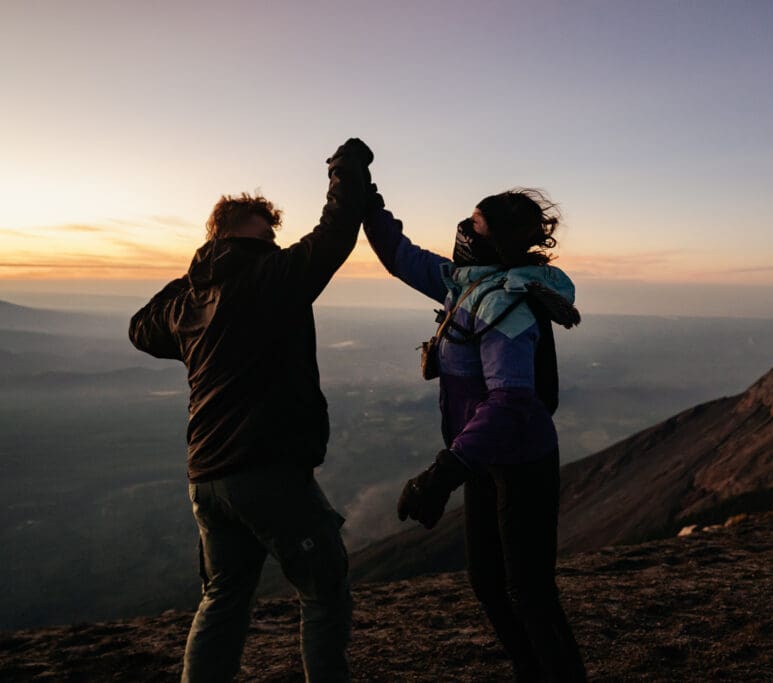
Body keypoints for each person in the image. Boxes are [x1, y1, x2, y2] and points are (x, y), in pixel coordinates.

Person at [128, 138, 374, 683]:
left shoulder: (187, 306)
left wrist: (200, 269)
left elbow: (140, 325)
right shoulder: (270, 279)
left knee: (224, 595)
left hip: (206, 479)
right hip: (267, 471)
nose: (274, 241)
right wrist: (346, 167)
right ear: (253, 235)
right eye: (267, 233)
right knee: (323, 587)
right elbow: (335, 233)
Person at [363, 178, 588, 681]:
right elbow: (401, 257)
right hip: (483, 458)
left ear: (496, 239)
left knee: (529, 593)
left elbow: (511, 401)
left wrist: (444, 472)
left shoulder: (505, 303)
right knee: (489, 583)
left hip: (522, 462)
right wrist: (363, 198)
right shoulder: (464, 283)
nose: (464, 227)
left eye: (476, 222)